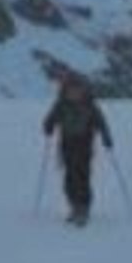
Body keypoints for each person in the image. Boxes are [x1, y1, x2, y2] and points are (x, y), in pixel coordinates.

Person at [42, 72, 113, 226]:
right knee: (69, 177)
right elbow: (50, 118)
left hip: (84, 145)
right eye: (71, 90)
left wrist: (106, 137)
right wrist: (48, 126)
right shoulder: (60, 105)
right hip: (67, 145)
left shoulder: (90, 106)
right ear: (65, 90)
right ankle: (74, 207)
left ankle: (84, 209)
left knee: (82, 176)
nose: (74, 93)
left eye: (77, 90)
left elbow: (101, 122)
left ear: (83, 90)